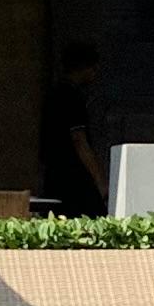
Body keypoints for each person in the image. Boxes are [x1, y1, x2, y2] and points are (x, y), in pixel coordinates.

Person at [41, 41, 109, 213]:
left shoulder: (53, 95)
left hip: (55, 173)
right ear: (85, 67)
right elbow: (79, 141)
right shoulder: (72, 97)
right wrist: (100, 180)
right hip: (74, 177)